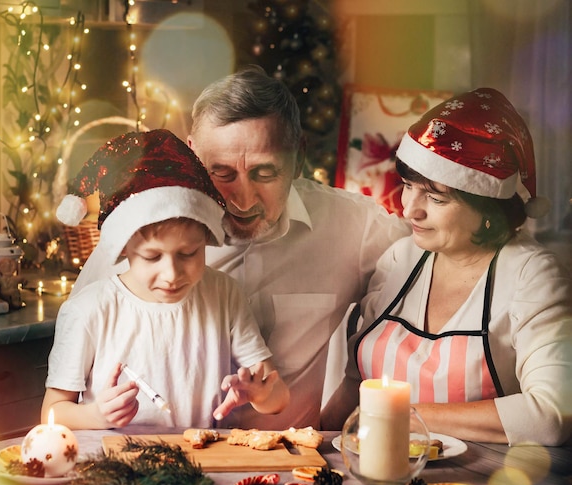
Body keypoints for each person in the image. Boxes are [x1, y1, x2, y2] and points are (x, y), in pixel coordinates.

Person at [71, 66, 409, 429]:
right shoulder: (139, 230)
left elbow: (437, 255)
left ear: (298, 158)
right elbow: (69, 384)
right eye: (222, 174)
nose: (243, 201)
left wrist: (345, 404)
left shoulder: (354, 227)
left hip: (288, 470)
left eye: (265, 174)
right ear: (191, 157)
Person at [321, 88, 572, 446]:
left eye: (435, 198)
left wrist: (405, 416)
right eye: (408, 186)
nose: (410, 209)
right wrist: (314, 445)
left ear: (488, 210)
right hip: (375, 480)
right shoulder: (400, 258)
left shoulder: (531, 276)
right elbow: (353, 388)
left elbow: (551, 415)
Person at [43, 129, 289, 430]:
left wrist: (260, 395)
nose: (172, 274)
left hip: (197, 463)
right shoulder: (89, 310)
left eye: (188, 254)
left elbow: (278, 398)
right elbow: (52, 413)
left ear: (208, 240)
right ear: (125, 249)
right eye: (152, 257)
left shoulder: (224, 294)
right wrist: (96, 415)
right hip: (115, 468)